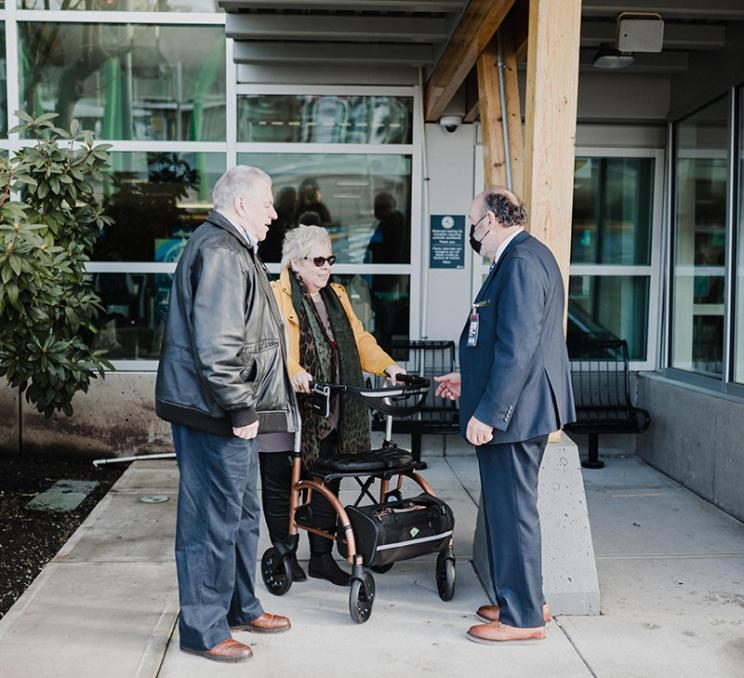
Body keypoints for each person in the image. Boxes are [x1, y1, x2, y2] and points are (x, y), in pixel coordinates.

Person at [155, 166, 300, 663]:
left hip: (228, 412)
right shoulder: (220, 252)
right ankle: (203, 628)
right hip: (215, 413)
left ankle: (241, 605)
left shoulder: (233, 249)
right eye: (267, 205)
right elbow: (218, 348)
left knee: (241, 516)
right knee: (210, 523)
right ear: (241, 205)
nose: (273, 214)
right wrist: (240, 406)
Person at [435, 187, 576, 645]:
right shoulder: (526, 257)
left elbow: (517, 350)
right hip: (521, 408)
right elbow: (502, 343)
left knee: (513, 514)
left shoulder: (519, 263)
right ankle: (522, 597)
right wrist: (468, 378)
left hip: (514, 415)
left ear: (491, 222)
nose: (472, 233)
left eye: (473, 224)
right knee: (505, 512)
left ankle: (523, 617)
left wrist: (489, 412)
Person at [259, 224, 405, 586]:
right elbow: (270, 345)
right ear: (295, 263)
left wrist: (390, 366)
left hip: (330, 406)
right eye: (318, 260)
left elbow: (360, 341)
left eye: (330, 259)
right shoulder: (276, 295)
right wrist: (294, 371)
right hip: (288, 406)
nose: (327, 267)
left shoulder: (337, 296)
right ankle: (284, 552)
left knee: (326, 478)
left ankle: (321, 557)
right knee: (281, 481)